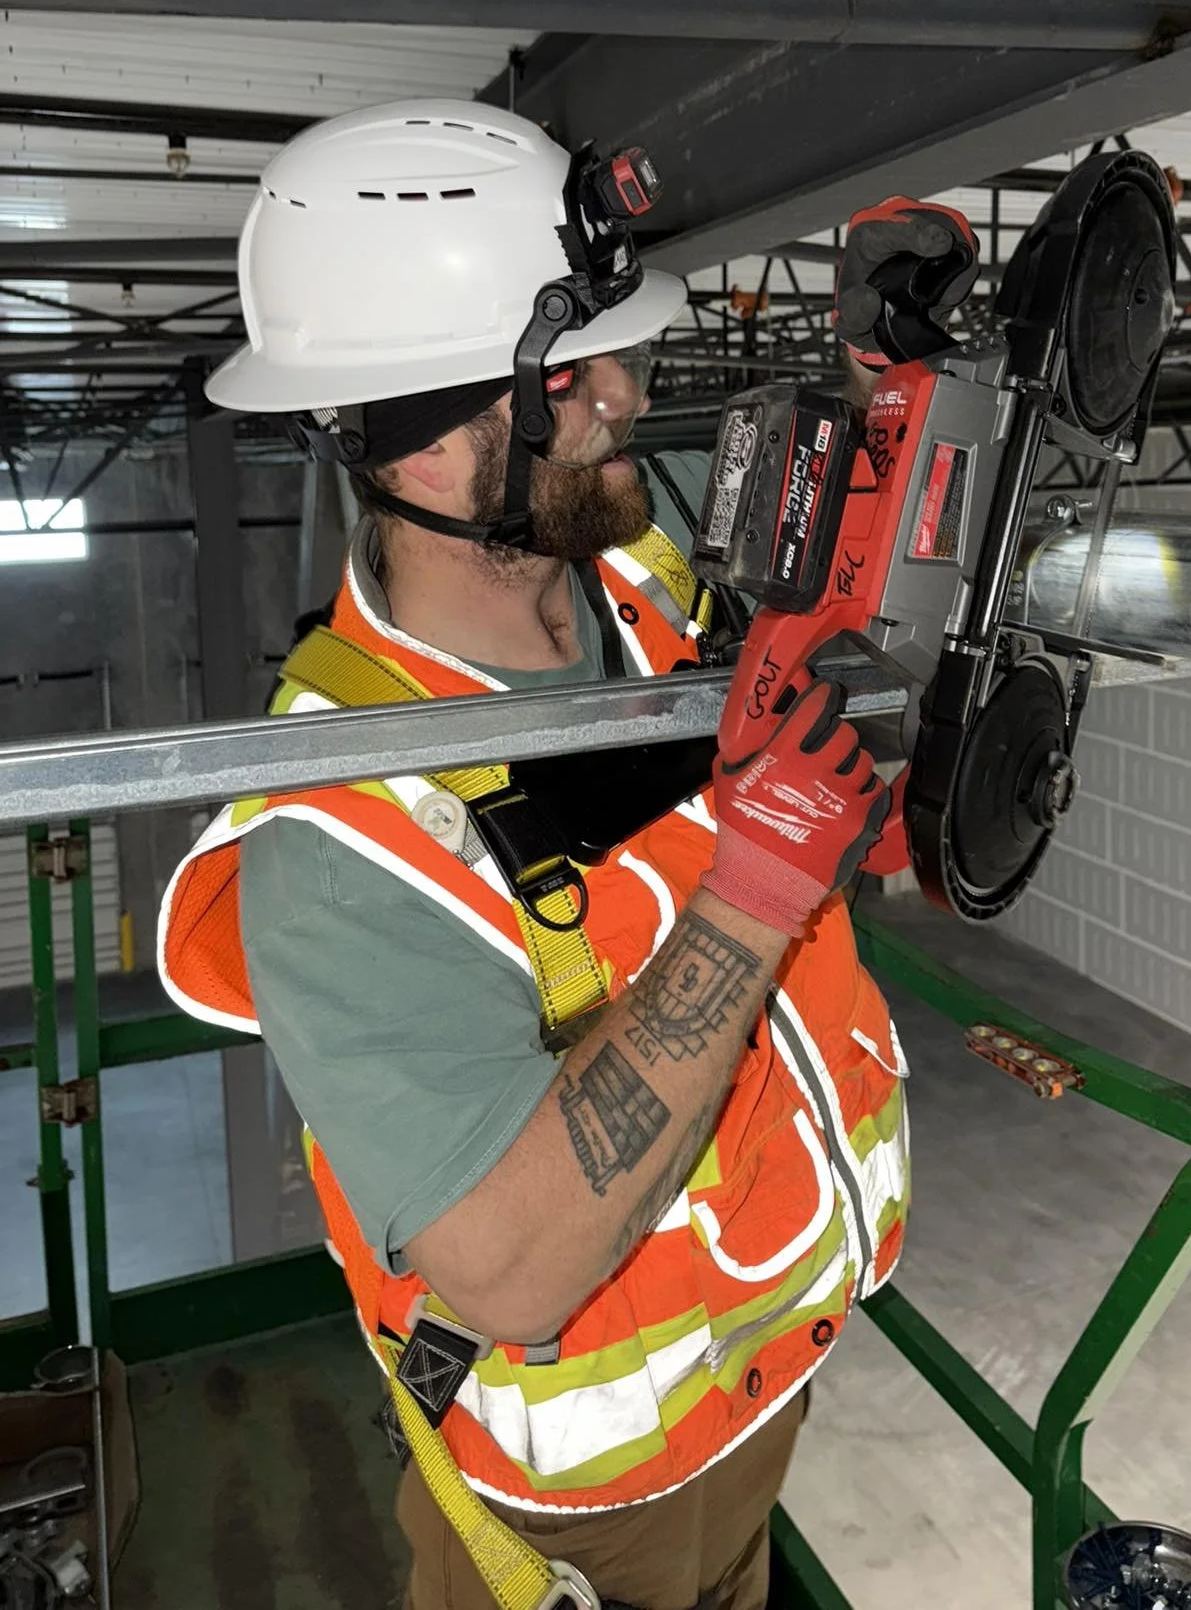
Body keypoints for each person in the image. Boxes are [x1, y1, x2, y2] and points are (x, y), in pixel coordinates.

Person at [158, 101, 978, 1610]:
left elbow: (830, 637)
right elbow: (512, 1268)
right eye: (571, 372)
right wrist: (759, 885)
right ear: (423, 436)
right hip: (580, 1528)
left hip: (764, 1379)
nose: (622, 396)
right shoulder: (339, 839)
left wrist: (896, 421)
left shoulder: (636, 577)